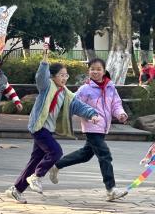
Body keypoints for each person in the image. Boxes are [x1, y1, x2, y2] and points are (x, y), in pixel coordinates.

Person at [5, 42, 99, 203]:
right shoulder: (47, 86)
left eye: (66, 75)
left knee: (35, 160)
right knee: (56, 152)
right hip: (38, 127)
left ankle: (16, 189)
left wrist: (92, 114)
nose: (64, 78)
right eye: (61, 75)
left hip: (47, 130)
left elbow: (77, 105)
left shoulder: (66, 93)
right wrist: (44, 59)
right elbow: (40, 77)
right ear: (53, 76)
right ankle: (37, 176)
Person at [49, 58, 128, 202]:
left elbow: (116, 104)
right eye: (92, 69)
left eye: (98, 69)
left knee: (85, 155)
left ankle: (56, 165)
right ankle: (111, 189)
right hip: (92, 126)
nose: (95, 71)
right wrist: (86, 115)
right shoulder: (85, 89)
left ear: (104, 71)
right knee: (105, 155)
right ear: (89, 71)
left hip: (103, 127)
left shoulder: (111, 87)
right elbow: (73, 104)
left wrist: (121, 114)